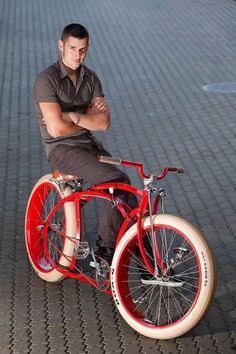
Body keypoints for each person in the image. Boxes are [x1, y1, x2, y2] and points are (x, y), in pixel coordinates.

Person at [34, 23, 137, 264]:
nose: (78, 55)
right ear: (61, 46)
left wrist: (76, 116)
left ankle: (144, 259)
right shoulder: (46, 80)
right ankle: (104, 251)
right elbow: (56, 129)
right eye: (72, 48)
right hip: (62, 150)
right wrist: (88, 118)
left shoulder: (91, 78)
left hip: (89, 146)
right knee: (116, 181)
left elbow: (104, 123)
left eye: (83, 49)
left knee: (129, 193)